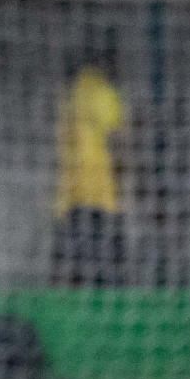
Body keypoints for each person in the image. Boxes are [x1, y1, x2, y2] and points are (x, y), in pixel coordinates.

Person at [52, 52, 125, 286]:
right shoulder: (102, 91)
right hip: (99, 191)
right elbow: (120, 139)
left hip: (71, 193)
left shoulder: (69, 94)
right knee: (107, 264)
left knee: (76, 262)